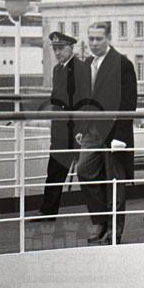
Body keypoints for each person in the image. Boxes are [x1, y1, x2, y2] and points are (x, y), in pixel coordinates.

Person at [76, 22, 138, 244]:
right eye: (91, 39)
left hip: (113, 132)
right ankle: (100, 220)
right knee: (84, 170)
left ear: (109, 39)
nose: (94, 43)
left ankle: (114, 229)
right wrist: (81, 128)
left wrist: (120, 137)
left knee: (115, 182)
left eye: (99, 39)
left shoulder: (122, 64)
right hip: (91, 130)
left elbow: (128, 101)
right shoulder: (88, 63)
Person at [37, 31, 91, 221]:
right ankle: (48, 211)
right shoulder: (57, 70)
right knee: (54, 171)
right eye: (55, 49)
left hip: (75, 131)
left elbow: (85, 101)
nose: (57, 53)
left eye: (61, 48)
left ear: (71, 48)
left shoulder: (81, 69)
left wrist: (81, 130)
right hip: (60, 130)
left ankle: (102, 213)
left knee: (86, 173)